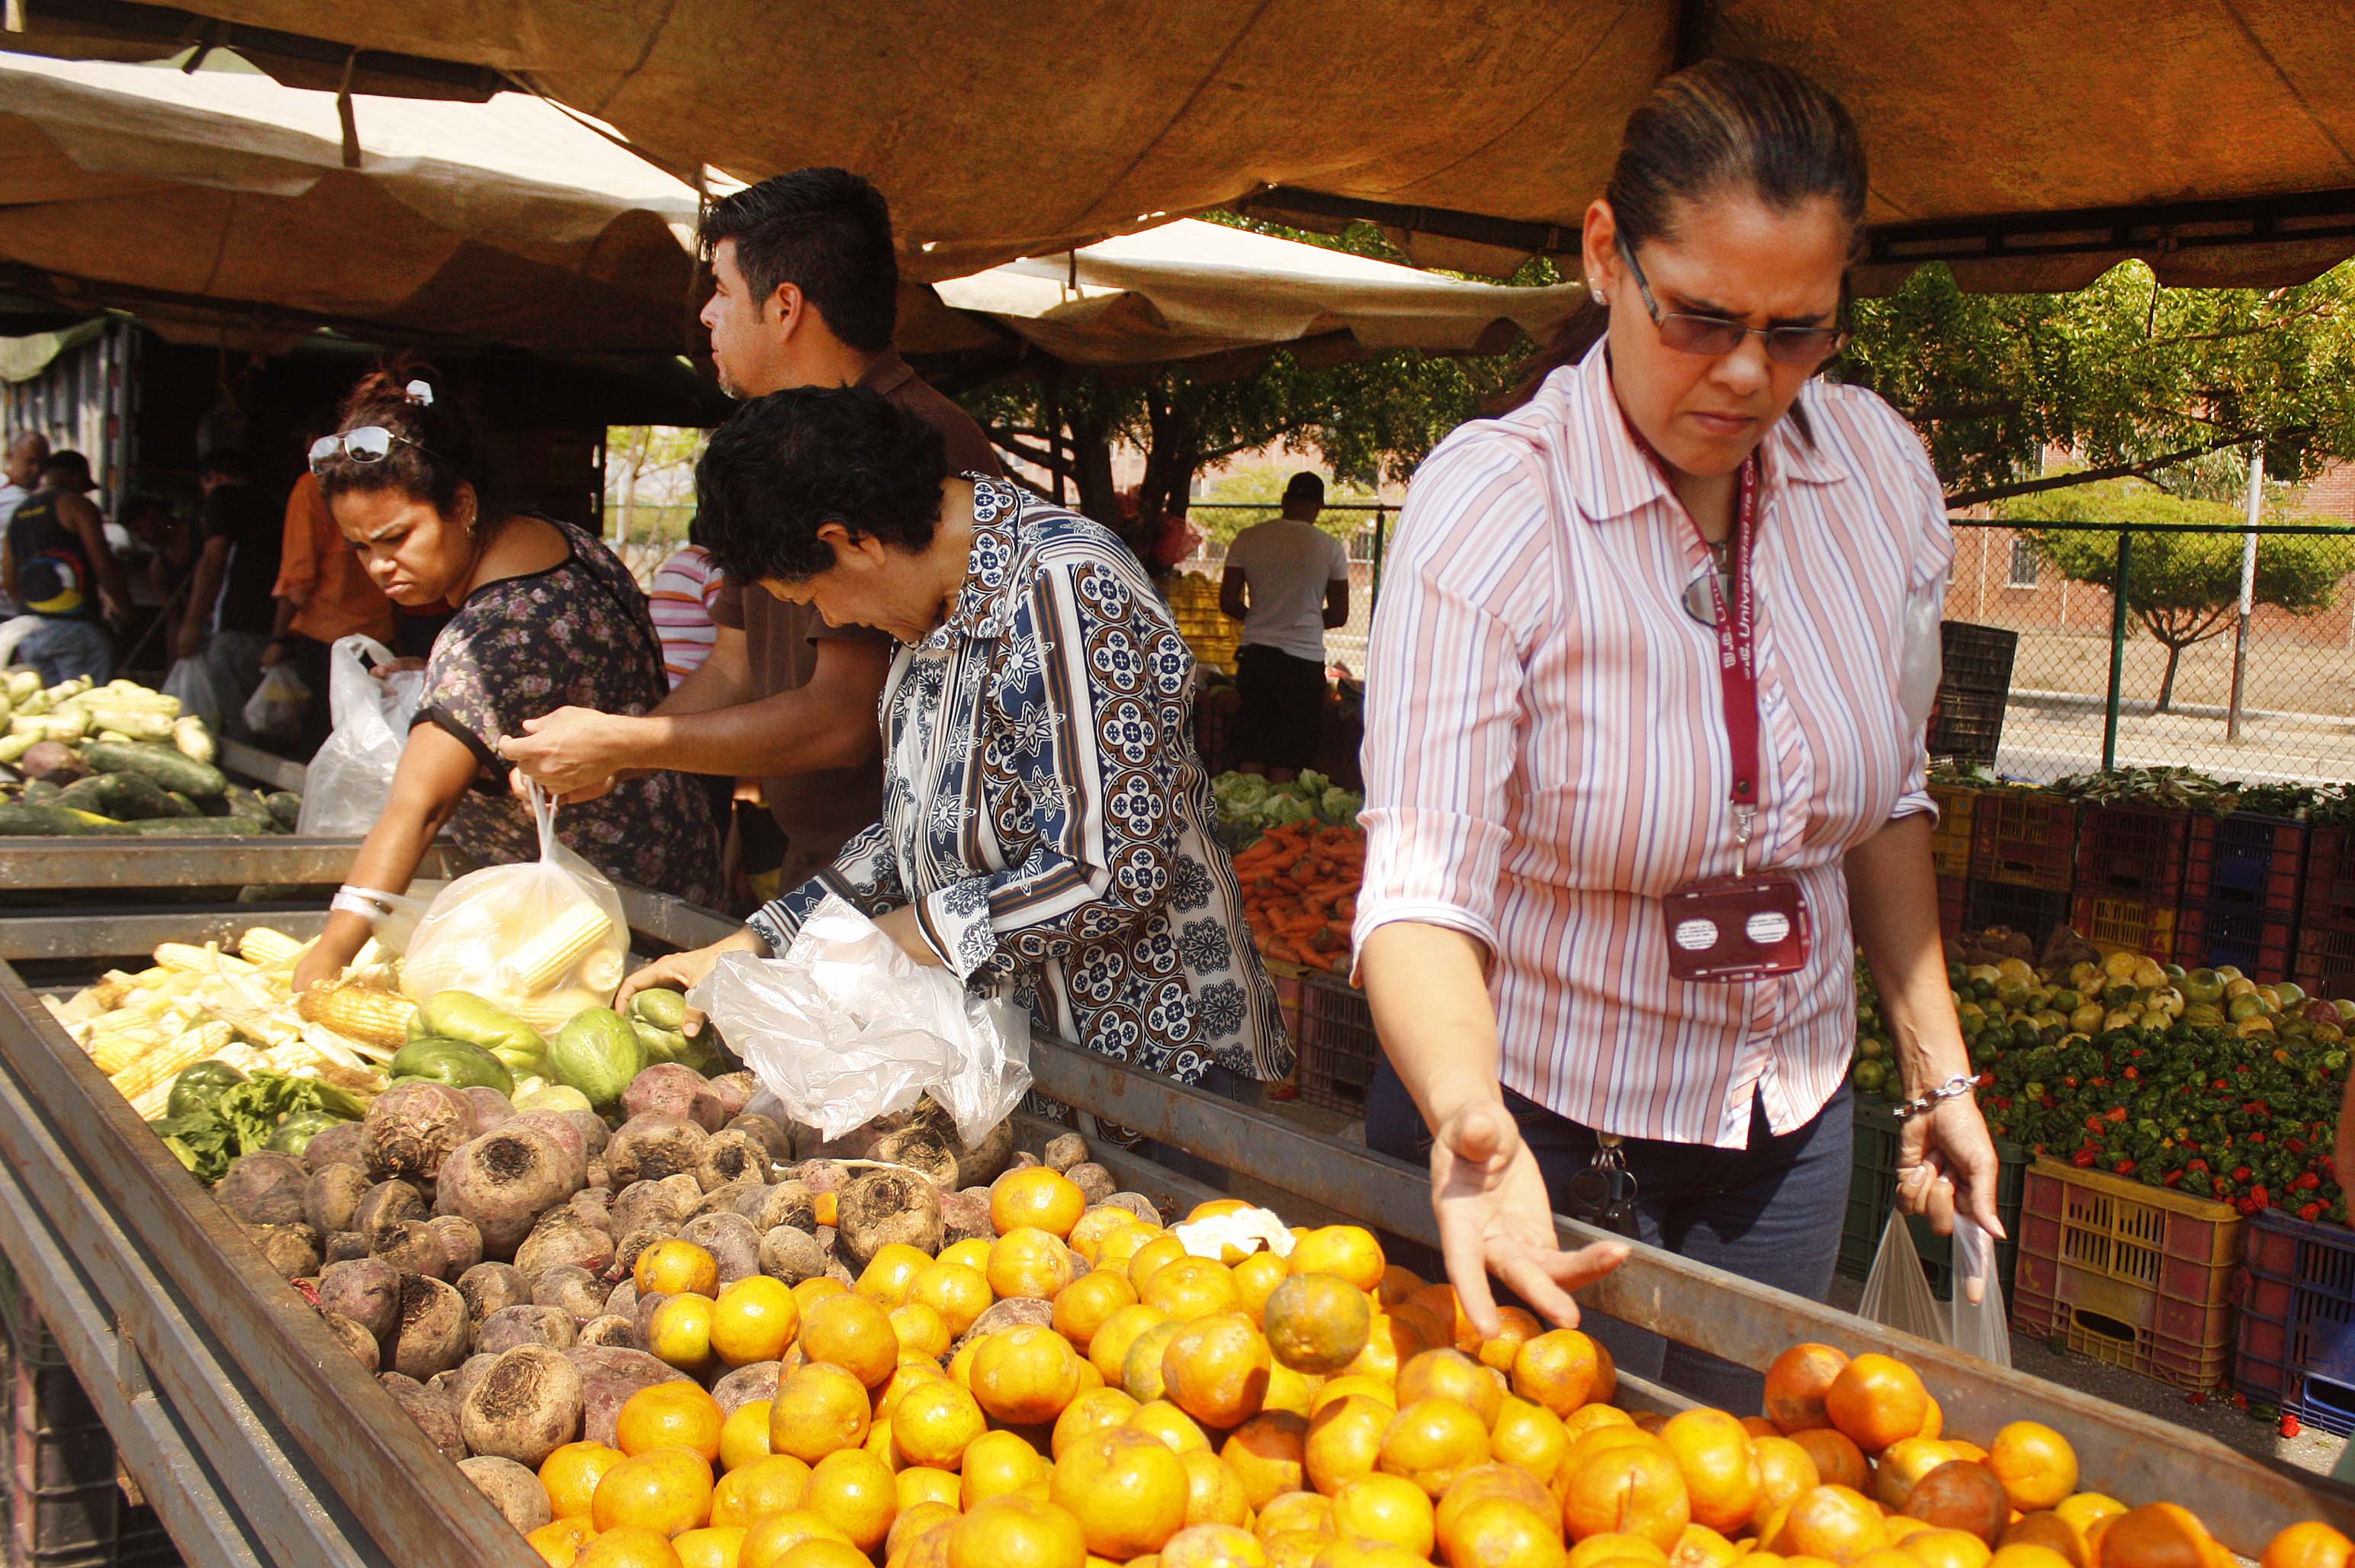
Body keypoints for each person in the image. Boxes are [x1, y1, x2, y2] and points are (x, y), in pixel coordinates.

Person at [1351, 58, 2001, 1406]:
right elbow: (1422, 879)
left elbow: (1883, 800)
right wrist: (1469, 1123)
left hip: (1786, 1127)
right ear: (1606, 256)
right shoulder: (1493, 510)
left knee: (1743, 1492)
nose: (1748, 374)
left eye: (1799, 330)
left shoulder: (1876, 471)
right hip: (1537, 1116)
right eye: (1700, 318)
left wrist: (1937, 1071)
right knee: (1513, 1502)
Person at [617, 387, 1291, 1096]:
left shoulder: (1065, 588)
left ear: (853, 542)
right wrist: (758, 940)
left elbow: (1110, 871)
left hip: (1155, 1065)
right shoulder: (932, 611)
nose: (831, 616)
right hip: (1030, 1063)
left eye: (814, 598)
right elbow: (920, 829)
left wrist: (896, 940)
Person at [502, 168, 1004, 888]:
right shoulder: (767, 454)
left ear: (786, 306)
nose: (707, 315)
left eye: (722, 290)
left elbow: (842, 721)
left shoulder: (916, 447)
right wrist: (617, 753)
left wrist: (622, 741)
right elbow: (734, 666)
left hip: (924, 887)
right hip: (827, 867)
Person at [289, 369, 720, 995]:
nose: (380, 565)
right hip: (677, 864)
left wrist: (328, 956)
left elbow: (419, 808)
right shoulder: (564, 543)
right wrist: (434, 682)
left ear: (461, 504)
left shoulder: (487, 637)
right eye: (359, 547)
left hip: (591, 930)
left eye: (397, 537)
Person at [1220, 472, 1348, 781]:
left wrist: (1259, 618)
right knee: (1288, 756)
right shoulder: (1330, 547)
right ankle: (1280, 822)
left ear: (1285, 500)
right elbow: (1341, 613)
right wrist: (1307, 624)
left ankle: (1245, 819)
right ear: (1319, 506)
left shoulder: (1248, 538)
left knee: (1252, 747)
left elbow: (1228, 601)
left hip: (1257, 657)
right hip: (1303, 661)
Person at [265, 466, 397, 756]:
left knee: (323, 740)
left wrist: (277, 639)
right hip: (377, 635)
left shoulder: (311, 487)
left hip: (327, 636)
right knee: (366, 738)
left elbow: (298, 576)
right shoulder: (381, 477)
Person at [177, 449, 284, 732]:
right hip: (272, 626)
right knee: (261, 720)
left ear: (213, 477)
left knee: (234, 721)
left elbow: (214, 559)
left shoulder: (223, 497)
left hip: (236, 626)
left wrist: (191, 625)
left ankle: (241, 777)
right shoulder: (274, 503)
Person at [2, 450, 130, 683]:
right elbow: (104, 565)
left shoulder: (19, 513)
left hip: (32, 633)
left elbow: (9, 581)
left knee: (42, 708)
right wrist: (125, 607)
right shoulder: (77, 505)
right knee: (82, 708)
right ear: (78, 478)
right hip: (76, 630)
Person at [647, 539, 724, 689]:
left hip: (664, 676)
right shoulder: (712, 568)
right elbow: (734, 626)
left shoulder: (677, 562)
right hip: (694, 682)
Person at [0, 431, 50, 617]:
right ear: (10, 457)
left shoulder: (34, 499)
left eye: (42, 464)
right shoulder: (19, 500)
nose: (37, 470)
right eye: (30, 462)